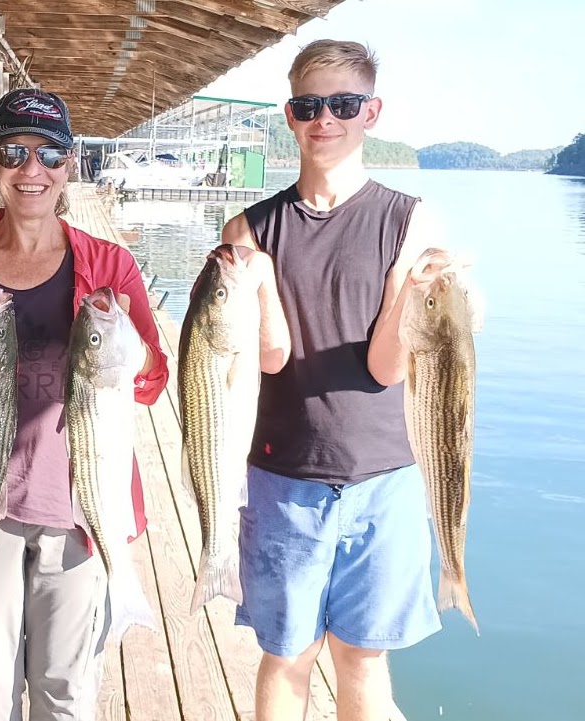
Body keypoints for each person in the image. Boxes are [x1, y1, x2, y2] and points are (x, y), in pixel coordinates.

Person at [0, 87, 169, 720]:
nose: (33, 170)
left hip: (79, 509)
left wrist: (129, 344)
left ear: (69, 166)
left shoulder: (111, 264)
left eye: (50, 154)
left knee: (66, 695)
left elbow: (152, 383)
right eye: (15, 152)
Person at [217, 40, 446, 721]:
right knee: (286, 655)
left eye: (342, 104)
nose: (325, 120)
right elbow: (269, 356)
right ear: (288, 115)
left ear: (369, 112)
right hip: (281, 475)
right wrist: (251, 284)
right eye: (308, 105)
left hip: (385, 476)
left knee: (363, 658)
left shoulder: (410, 219)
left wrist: (425, 293)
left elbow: (386, 366)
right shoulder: (250, 228)